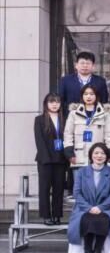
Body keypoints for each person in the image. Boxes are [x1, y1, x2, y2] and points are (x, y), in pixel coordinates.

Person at [66, 143, 110, 253]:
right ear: (91, 155)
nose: (99, 156)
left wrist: (100, 207)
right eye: (96, 153)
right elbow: (77, 193)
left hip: (106, 208)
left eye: (102, 153)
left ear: (107, 156)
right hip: (84, 207)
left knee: (103, 219)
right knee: (87, 219)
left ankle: (97, 252)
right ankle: (87, 252)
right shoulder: (81, 172)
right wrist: (89, 208)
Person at [34, 92, 68, 225]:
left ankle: (57, 215)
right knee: (45, 188)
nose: (54, 104)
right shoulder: (39, 119)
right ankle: (46, 215)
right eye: (51, 102)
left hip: (61, 159)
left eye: (57, 102)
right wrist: (46, 158)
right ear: (46, 104)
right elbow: (39, 141)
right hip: (45, 159)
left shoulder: (64, 118)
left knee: (59, 188)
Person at [63, 85, 110, 167]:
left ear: (96, 96)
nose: (88, 96)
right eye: (86, 94)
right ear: (82, 96)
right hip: (78, 156)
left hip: (99, 156)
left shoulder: (105, 114)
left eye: (91, 94)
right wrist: (69, 152)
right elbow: (68, 134)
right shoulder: (74, 113)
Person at [58, 51, 109, 115]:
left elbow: (104, 101)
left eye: (88, 63)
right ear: (76, 65)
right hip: (72, 117)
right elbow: (61, 101)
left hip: (94, 117)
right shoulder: (65, 80)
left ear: (93, 66)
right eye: (82, 63)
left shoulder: (100, 81)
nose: (85, 66)